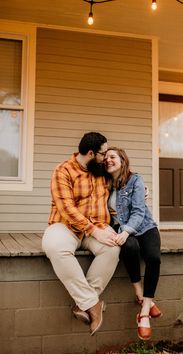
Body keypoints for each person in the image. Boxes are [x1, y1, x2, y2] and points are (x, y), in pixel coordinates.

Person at [42, 132, 120, 336]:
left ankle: (83, 304)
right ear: (91, 153)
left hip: (98, 225)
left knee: (112, 248)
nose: (106, 158)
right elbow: (66, 208)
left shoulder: (101, 170)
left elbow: (124, 179)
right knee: (55, 247)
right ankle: (93, 305)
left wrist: (141, 190)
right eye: (103, 154)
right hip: (65, 225)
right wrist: (92, 230)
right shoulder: (63, 171)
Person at [105, 147, 161, 341]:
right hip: (122, 230)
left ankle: (144, 311)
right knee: (130, 247)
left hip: (144, 226)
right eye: (106, 158)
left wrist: (126, 231)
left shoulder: (135, 180)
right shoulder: (103, 184)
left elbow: (138, 212)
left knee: (153, 258)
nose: (108, 160)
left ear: (122, 160)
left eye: (112, 157)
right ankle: (140, 294)